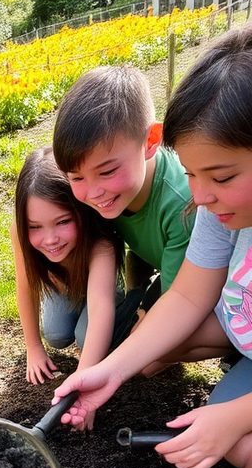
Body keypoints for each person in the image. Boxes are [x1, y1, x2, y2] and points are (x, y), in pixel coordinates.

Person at [53, 25, 252, 468]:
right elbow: (185, 297)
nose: (198, 197)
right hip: (242, 332)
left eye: (220, 178)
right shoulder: (213, 209)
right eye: (190, 174)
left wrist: (235, 417)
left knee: (235, 440)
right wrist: (112, 371)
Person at [12, 148, 139, 428]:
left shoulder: (100, 241)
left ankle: (127, 306)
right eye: (35, 226)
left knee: (86, 338)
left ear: (80, 212)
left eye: (63, 222)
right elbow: (26, 287)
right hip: (65, 289)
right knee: (56, 335)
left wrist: (84, 386)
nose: (50, 238)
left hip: (101, 293)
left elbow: (100, 307)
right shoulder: (18, 231)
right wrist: (33, 347)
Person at [52, 64, 194, 306]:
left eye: (107, 172)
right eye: (76, 177)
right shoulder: (112, 190)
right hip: (149, 257)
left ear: (150, 141)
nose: (94, 192)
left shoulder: (182, 205)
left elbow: (176, 305)